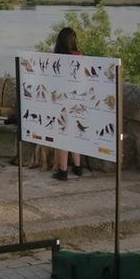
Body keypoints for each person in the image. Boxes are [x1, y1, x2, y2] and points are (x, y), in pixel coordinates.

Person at [52, 27, 84, 181]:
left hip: (62, 101)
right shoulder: (80, 56)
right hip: (78, 100)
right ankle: (78, 167)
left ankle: (63, 170)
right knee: (76, 133)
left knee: (62, 135)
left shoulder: (57, 58)